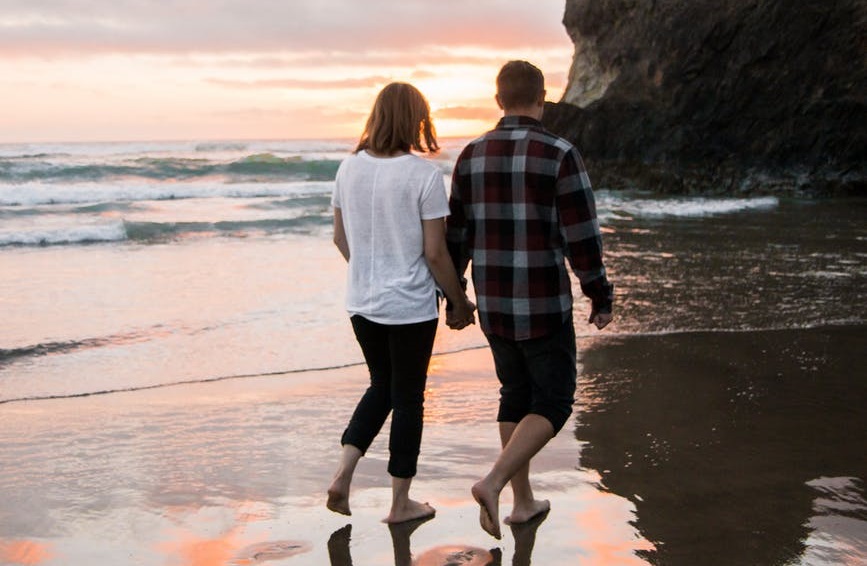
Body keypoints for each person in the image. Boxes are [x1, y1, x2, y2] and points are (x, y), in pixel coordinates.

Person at [445, 60, 614, 539]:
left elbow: (456, 234)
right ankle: (495, 481)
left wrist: (455, 298)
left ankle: (522, 503)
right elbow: (583, 237)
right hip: (543, 304)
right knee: (555, 402)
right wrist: (598, 295)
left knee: (514, 395)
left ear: (498, 100)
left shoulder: (470, 155)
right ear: (543, 98)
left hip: (494, 304)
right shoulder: (560, 153)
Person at [326, 82, 476, 524]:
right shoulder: (424, 176)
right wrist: (460, 301)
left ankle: (342, 475)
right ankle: (399, 503)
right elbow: (435, 252)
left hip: (361, 303)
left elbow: (340, 237)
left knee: (381, 386)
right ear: (417, 119)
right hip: (408, 307)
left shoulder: (347, 168)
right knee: (408, 397)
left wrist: (371, 273)